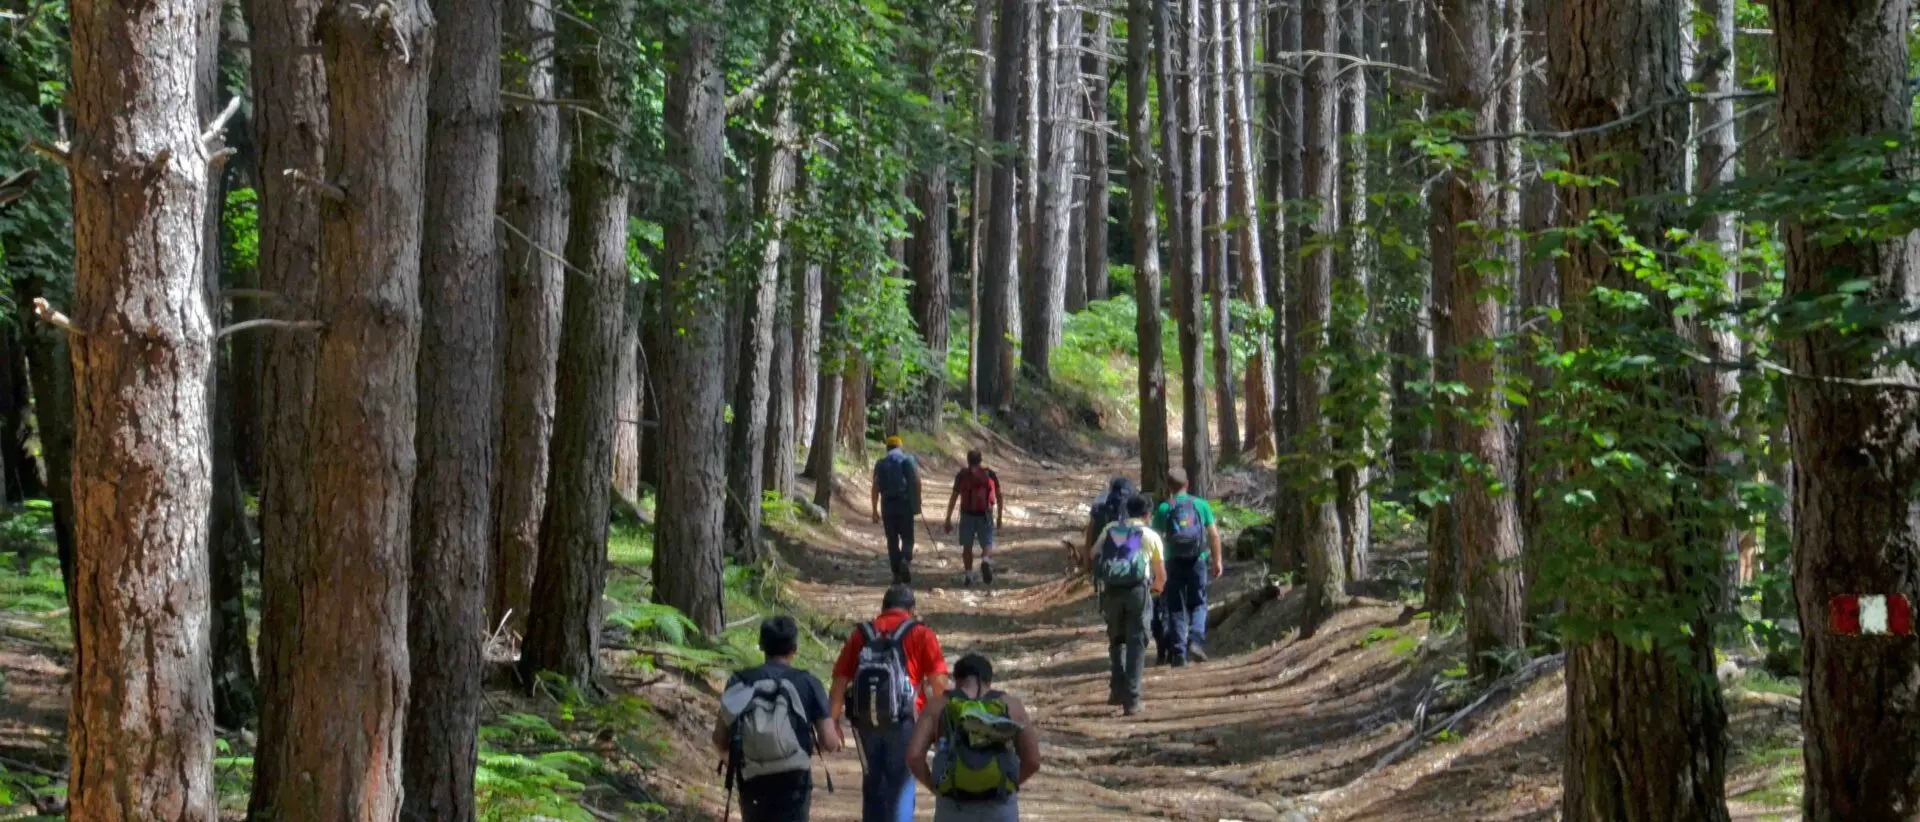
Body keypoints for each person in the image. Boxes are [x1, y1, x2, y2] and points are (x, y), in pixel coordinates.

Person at [831, 585, 950, 822]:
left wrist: (832, 721)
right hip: (904, 721)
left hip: (865, 722)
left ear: (883, 608)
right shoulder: (921, 634)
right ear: (911, 609)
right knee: (901, 783)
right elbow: (939, 685)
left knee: (873, 782)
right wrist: (942, 725)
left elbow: (840, 680)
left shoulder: (861, 633)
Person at [715, 617, 843, 822]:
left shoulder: (739, 681)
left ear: (761, 646)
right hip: (794, 780)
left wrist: (743, 760)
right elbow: (828, 741)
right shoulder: (808, 682)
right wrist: (834, 743)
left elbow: (720, 739)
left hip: (753, 781)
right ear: (795, 648)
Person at [907, 654, 1042, 822]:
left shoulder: (938, 706)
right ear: (989, 680)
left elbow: (914, 756)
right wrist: (1008, 785)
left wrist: (937, 788)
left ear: (956, 679)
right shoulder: (1011, 705)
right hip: (999, 807)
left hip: (953, 806)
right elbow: (1033, 761)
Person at [1095, 495, 1166, 715]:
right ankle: (1132, 700)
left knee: (1116, 639)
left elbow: (1092, 553)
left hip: (1111, 590)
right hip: (1137, 590)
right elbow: (1161, 577)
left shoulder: (1110, 529)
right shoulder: (1150, 535)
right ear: (1147, 515)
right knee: (1136, 642)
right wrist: (1155, 590)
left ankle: (1116, 690)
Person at [1153, 469, 1225, 666]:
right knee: (1199, 603)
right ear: (1188, 484)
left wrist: (1155, 569)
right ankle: (1195, 641)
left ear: (1169, 487)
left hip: (1171, 562)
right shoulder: (1200, 505)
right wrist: (1217, 560)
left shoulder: (1164, 508)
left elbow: (1155, 540)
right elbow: (1214, 535)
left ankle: (1178, 653)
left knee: (1175, 606)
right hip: (1197, 560)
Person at [943, 449, 1004, 586]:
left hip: (967, 515)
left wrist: (948, 518)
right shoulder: (989, 474)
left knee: (967, 547)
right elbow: (999, 496)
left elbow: (953, 497)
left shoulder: (962, 475)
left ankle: (969, 575)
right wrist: (999, 516)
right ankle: (986, 561)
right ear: (980, 460)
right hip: (985, 515)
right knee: (987, 543)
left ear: (968, 460)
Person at [871, 436, 925, 585]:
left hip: (887, 506)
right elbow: (917, 481)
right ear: (900, 447)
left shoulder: (881, 464)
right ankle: (905, 560)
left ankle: (896, 574)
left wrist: (874, 510)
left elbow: (875, 487)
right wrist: (918, 502)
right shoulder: (907, 461)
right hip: (904, 504)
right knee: (907, 537)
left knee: (892, 540)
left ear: (887, 448)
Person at [1077, 476, 1138, 577]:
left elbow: (1091, 537)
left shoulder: (1101, 511)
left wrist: (1087, 564)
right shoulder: (1137, 524)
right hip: (1132, 572)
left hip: (1105, 567)